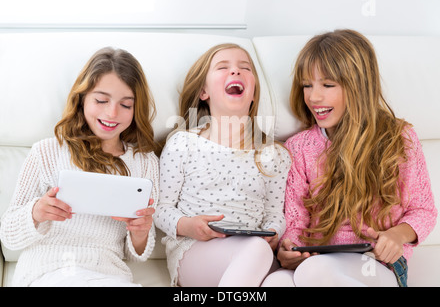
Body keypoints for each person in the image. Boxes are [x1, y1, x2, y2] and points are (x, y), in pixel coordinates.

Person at [262, 29, 437, 287]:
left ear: (359, 85)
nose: (313, 97)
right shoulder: (298, 148)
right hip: (319, 260)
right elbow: (297, 222)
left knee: (315, 271)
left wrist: (396, 236)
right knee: (276, 282)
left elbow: (423, 211)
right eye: (307, 85)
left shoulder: (398, 138)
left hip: (376, 263)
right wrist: (290, 250)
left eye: (328, 85)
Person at [0, 47, 159, 287]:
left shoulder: (145, 163)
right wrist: (36, 212)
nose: (112, 113)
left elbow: (138, 253)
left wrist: (140, 231)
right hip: (48, 272)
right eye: (101, 100)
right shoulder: (46, 151)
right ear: (82, 98)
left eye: (126, 105)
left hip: (109, 276)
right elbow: (8, 235)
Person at [154, 43, 291, 287]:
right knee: (257, 252)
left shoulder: (275, 154)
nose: (235, 72)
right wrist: (188, 226)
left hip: (255, 250)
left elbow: (274, 214)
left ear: (254, 93)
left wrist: (273, 233)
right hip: (196, 249)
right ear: (203, 91)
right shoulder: (183, 143)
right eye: (223, 67)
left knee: (283, 281)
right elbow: (161, 208)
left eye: (244, 68)